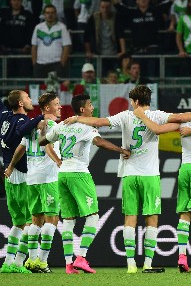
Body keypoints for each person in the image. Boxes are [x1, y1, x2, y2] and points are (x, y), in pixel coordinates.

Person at [62, 85, 191, 273]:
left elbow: (101, 121)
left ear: (135, 101)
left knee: (130, 218)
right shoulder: (156, 116)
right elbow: (181, 117)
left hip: (129, 174)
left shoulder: (125, 116)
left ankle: (130, 265)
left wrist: (79, 117)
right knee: (151, 218)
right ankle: (147, 264)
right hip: (150, 175)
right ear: (147, 101)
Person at [37, 94, 130, 274]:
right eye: (90, 105)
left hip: (62, 174)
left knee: (69, 220)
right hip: (79, 173)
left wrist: (42, 129)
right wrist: (121, 150)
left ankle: (68, 264)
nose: (92, 107)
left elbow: (42, 142)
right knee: (93, 216)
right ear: (82, 109)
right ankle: (81, 257)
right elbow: (100, 142)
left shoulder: (62, 125)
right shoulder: (87, 126)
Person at [135, 92, 191, 273]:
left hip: (185, 169)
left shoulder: (184, 121)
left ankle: (182, 256)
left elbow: (162, 127)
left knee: (184, 214)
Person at [3, 93, 62, 273]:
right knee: (51, 219)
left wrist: (11, 165)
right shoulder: (50, 125)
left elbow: (21, 147)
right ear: (46, 109)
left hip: (31, 179)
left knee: (33, 221)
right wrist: (59, 162)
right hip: (47, 178)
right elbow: (47, 146)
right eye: (57, 104)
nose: (60, 107)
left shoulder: (30, 126)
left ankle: (23, 261)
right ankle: (39, 262)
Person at [0, 90, 46, 274]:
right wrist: (41, 116)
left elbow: (3, 107)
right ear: (20, 103)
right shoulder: (21, 120)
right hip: (21, 177)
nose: (30, 100)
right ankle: (24, 262)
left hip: (9, 177)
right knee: (32, 221)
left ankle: (8, 262)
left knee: (18, 223)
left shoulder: (4, 117)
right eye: (27, 98)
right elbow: (22, 130)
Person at [31, 5, 72, 78]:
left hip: (56, 64)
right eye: (47, 13)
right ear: (44, 14)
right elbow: (34, 46)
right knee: (40, 88)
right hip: (40, 64)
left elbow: (66, 47)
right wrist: (35, 63)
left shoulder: (62, 27)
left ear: (56, 14)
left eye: (52, 13)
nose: (50, 15)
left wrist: (62, 64)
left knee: (56, 88)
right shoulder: (38, 27)